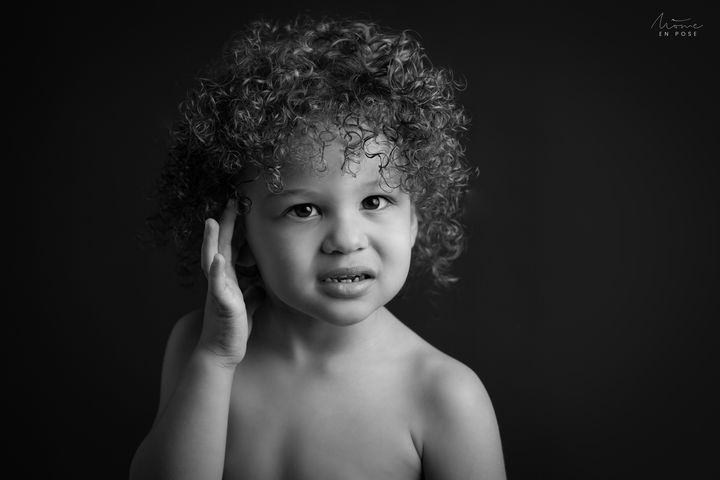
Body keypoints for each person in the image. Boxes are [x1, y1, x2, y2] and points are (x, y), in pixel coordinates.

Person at [130, 15, 506, 480]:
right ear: (240, 237)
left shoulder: (445, 395)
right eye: (304, 210)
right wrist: (216, 359)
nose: (346, 240)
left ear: (414, 221)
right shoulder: (198, 346)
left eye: (374, 200)